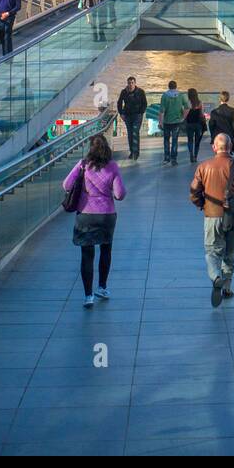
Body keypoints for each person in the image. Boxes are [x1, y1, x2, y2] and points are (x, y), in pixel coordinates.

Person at [190, 133, 234, 306]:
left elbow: (194, 193)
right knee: (229, 252)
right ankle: (227, 287)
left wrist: (203, 205)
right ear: (231, 147)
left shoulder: (204, 166)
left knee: (212, 251)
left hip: (212, 215)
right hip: (233, 217)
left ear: (214, 147)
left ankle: (216, 277)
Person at [63, 133, 126, 307]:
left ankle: (88, 295)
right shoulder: (112, 166)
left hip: (85, 215)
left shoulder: (83, 165)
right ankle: (102, 287)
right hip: (106, 215)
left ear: (90, 149)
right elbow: (120, 194)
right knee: (106, 250)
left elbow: (66, 185)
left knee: (87, 255)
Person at [116, 76, 148, 160]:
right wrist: (121, 113)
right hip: (127, 116)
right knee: (130, 134)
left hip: (137, 116)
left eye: (132, 83)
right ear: (127, 83)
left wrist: (141, 112)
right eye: (129, 83)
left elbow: (144, 103)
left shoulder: (140, 92)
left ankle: (136, 152)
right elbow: (119, 103)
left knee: (135, 132)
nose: (130, 85)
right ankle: (132, 151)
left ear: (135, 83)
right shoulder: (124, 92)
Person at [159, 80, 185, 165]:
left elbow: (162, 111)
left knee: (166, 140)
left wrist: (160, 122)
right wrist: (183, 118)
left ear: (168, 86)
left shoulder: (164, 96)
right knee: (174, 140)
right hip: (177, 121)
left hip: (167, 122)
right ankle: (174, 159)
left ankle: (166, 158)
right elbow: (187, 107)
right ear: (176, 86)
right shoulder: (181, 95)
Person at [183, 88, 207, 163]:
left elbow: (185, 115)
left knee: (190, 140)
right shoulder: (200, 103)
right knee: (197, 141)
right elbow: (202, 114)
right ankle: (195, 156)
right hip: (198, 124)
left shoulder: (188, 103)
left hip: (189, 124)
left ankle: (191, 155)